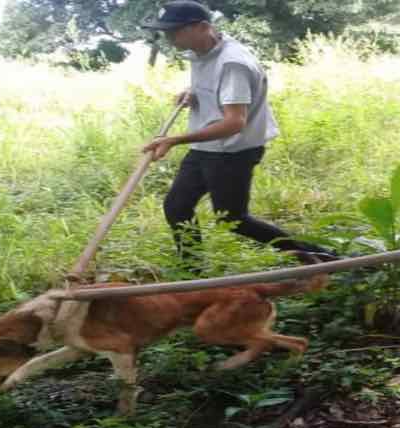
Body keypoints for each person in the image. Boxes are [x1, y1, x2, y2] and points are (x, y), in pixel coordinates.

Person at [141, 1, 335, 266]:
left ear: (202, 27)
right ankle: (192, 274)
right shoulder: (201, 50)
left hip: (233, 150)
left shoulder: (233, 63)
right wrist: (194, 94)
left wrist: (175, 140)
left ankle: (321, 258)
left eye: (174, 30)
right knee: (176, 207)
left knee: (233, 220)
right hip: (206, 146)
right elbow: (216, 88)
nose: (168, 36)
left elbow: (234, 122)